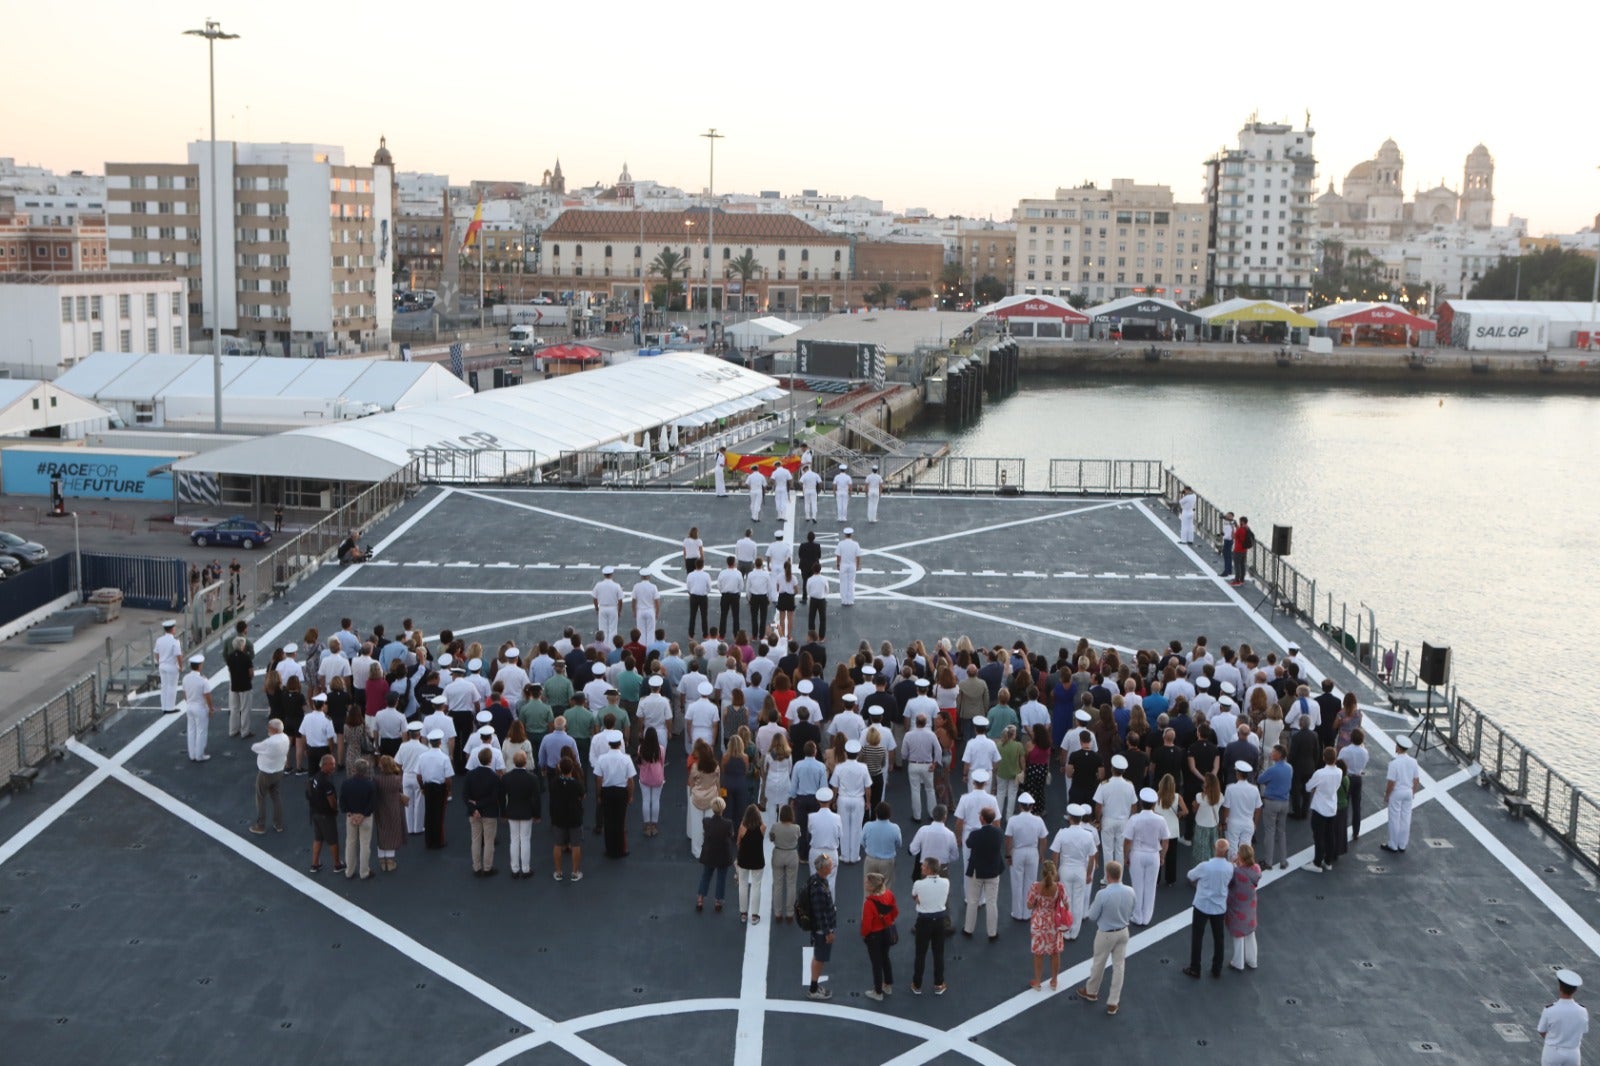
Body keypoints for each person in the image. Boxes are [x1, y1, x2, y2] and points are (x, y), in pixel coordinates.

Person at [1078, 859, 1135, 1015]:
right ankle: (1113, 1002)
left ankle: (1091, 991)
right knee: (1119, 967)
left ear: (1108, 875)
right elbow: (1132, 909)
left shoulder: (1103, 894)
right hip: (1123, 932)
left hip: (1106, 934)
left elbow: (1092, 916)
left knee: (1098, 963)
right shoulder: (1130, 891)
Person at [1183, 840, 1233, 979]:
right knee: (1219, 939)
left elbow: (1190, 875)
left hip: (1202, 905)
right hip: (1219, 908)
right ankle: (1217, 969)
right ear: (1227, 852)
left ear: (1214, 848)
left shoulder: (1205, 866)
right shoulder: (1230, 868)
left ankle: (1195, 968)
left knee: (1197, 937)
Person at [1049, 804, 1098, 941]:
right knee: (1078, 901)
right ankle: (1074, 932)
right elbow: (1092, 856)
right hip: (1080, 870)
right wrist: (1088, 874)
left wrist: (1055, 871)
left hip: (1065, 869)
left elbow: (1055, 853)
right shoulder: (1088, 835)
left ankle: (1065, 930)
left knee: (1065, 901)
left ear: (1070, 818)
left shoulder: (1062, 833)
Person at [1123, 787, 1170, 926]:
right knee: (1151, 887)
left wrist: (1126, 856)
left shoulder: (1134, 819)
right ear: (1154, 804)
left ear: (1141, 803)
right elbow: (1165, 841)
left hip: (1137, 853)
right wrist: (1162, 856)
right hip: (1153, 854)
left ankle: (1137, 916)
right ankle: (1146, 917)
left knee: (1137, 886)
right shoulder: (1160, 819)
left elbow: (1127, 840)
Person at [962, 807, 1004, 941]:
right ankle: (992, 933)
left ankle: (968, 929)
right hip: (993, 871)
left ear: (981, 819)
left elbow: (968, 844)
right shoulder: (999, 833)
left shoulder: (975, 835)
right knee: (992, 902)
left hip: (977, 871)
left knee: (973, 901)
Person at [910, 855, 949, 996]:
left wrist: (922, 902)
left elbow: (915, 897)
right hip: (939, 921)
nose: (921, 867)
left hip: (923, 921)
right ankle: (939, 984)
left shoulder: (918, 884)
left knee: (920, 954)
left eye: (924, 866)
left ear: (929, 869)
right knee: (938, 954)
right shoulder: (946, 882)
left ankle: (917, 984)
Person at [1005, 793, 1048, 920]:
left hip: (1017, 852)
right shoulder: (1038, 820)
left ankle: (1017, 913)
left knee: (1016, 882)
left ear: (1020, 806)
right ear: (1032, 806)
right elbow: (1044, 839)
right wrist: (1041, 854)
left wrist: (1008, 855)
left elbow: (1008, 839)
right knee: (1030, 882)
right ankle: (1028, 912)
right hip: (1032, 852)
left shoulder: (1013, 820)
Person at [1026, 859, 1067, 991]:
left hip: (1038, 922)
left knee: (1038, 953)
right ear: (1054, 873)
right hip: (1054, 922)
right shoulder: (1060, 887)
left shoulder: (1035, 886)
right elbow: (1067, 904)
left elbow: (1029, 905)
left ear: (1043, 873)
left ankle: (1037, 982)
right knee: (1055, 953)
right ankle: (1054, 981)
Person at [594, 730, 636, 858]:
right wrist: (630, 795)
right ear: (620, 743)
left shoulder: (602, 759)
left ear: (609, 744)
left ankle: (610, 849)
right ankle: (620, 849)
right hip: (621, 792)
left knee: (608, 821)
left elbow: (599, 779)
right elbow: (630, 780)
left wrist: (599, 795)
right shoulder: (626, 758)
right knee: (620, 821)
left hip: (607, 792)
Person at [463, 747, 503, 876]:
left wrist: (474, 808)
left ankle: (476, 867)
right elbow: (494, 797)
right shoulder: (495, 777)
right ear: (490, 760)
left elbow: (465, 795)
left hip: (474, 814)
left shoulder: (470, 775)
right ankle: (487, 868)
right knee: (489, 841)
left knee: (475, 840)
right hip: (489, 813)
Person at [860, 870, 898, 1001]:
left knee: (876, 963)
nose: (865, 883)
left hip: (874, 936)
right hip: (886, 932)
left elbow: (867, 925)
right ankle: (887, 985)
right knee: (885, 958)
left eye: (867, 882)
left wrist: (864, 935)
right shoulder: (889, 895)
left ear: (872, 886)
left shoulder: (869, 903)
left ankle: (877, 992)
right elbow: (895, 912)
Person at [247, 719, 290, 835]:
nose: (268, 729)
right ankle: (278, 824)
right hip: (279, 770)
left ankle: (260, 825)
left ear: (274, 730)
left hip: (266, 773)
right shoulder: (285, 738)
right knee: (276, 796)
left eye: (269, 727)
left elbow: (254, 747)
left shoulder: (270, 742)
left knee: (260, 797)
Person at [1538, 969, 1588, 1066]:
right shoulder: (1583, 1011)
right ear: (1575, 990)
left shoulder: (1550, 1010)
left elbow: (1541, 1030)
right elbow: (1583, 1030)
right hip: (1572, 1053)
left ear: (1560, 987)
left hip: (1553, 1052)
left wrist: (1553, 1039)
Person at [549, 752, 586, 882]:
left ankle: (558, 872)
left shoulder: (554, 783)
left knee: (558, 845)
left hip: (559, 817)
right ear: (571, 769)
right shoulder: (577, 784)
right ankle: (575, 873)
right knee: (575, 845)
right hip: (574, 817)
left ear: (559, 768)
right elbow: (582, 796)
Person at [805, 853, 838, 999]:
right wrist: (828, 932)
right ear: (824, 868)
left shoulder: (816, 881)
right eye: (830, 865)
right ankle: (813, 989)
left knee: (818, 957)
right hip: (821, 930)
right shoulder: (819, 887)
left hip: (819, 929)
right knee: (819, 958)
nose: (832, 867)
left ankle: (814, 986)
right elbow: (820, 913)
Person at [1306, 746, 1343, 872]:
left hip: (1320, 808)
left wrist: (1315, 789)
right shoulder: (1339, 772)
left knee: (1318, 836)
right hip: (1332, 807)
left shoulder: (1320, 773)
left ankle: (1317, 862)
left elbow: (1308, 787)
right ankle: (1328, 861)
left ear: (1323, 758)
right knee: (1330, 835)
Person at [415, 729, 454, 850]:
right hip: (440, 787)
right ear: (440, 742)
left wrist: (422, 787)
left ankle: (429, 840)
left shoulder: (422, 756)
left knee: (429, 813)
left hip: (427, 786)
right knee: (439, 814)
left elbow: (418, 775)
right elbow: (448, 778)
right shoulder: (444, 757)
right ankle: (438, 841)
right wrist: (449, 790)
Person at [1256, 745, 1293, 870]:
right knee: (1281, 832)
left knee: (1270, 832)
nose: (1271, 753)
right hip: (1285, 802)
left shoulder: (1272, 769)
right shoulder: (1289, 768)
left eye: (1274, 751)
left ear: (1279, 754)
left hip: (1272, 803)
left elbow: (1260, 780)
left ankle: (1268, 861)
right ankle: (1283, 861)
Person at [340, 758, 377, 881]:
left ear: (354, 769)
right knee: (364, 845)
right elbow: (372, 804)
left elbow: (342, 802)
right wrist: (362, 815)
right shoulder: (370, 784)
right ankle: (364, 872)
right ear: (366, 771)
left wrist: (350, 814)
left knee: (350, 843)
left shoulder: (346, 784)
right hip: (365, 818)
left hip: (351, 818)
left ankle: (349, 871)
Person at [1383, 734, 1420, 854]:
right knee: (1406, 818)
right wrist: (1413, 792)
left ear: (1398, 747)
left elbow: (1391, 783)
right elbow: (1416, 780)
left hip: (1397, 792)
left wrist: (1387, 795)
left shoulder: (1394, 763)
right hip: (1408, 792)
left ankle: (1393, 844)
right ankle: (1402, 844)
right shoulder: (1413, 762)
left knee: (1394, 819)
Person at [306, 754, 343, 874]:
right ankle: (337, 865)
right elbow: (331, 800)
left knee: (318, 838)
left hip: (315, 813)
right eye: (331, 764)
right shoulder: (326, 781)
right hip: (325, 815)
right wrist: (335, 809)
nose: (334, 766)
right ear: (325, 765)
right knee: (333, 840)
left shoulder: (316, 777)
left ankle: (314, 864)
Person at [1227, 843, 1260, 971]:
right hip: (1250, 906)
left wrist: (1232, 863)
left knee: (1238, 935)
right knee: (1250, 933)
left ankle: (1238, 962)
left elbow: (1228, 882)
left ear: (1240, 857)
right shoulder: (1256, 869)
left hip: (1237, 907)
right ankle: (1252, 961)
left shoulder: (1237, 872)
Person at [698, 797, 735, 912]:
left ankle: (700, 899)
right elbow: (731, 835)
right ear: (723, 808)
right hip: (723, 855)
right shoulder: (728, 823)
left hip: (709, 854)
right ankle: (718, 901)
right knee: (721, 878)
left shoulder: (706, 821)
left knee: (706, 876)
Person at [372, 754, 407, 873]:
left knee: (382, 832)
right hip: (394, 808)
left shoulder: (376, 779)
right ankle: (390, 862)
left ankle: (382, 861)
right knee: (393, 833)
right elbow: (400, 792)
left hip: (380, 808)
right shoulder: (397, 779)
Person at [734, 803, 767, 924]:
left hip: (744, 859)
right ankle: (754, 915)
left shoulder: (742, 827)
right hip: (758, 860)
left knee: (742, 885)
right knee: (756, 886)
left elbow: (738, 843)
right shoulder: (763, 827)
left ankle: (743, 914)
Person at [1221, 759, 1261, 857]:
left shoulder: (1230, 788)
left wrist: (1224, 822)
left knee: (1232, 849)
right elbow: (1258, 808)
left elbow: (1226, 808)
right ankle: (1244, 870)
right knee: (1246, 850)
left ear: (1237, 773)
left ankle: (1233, 869)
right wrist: (1255, 823)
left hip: (1233, 823)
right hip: (1248, 823)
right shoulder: (1255, 789)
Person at [770, 804, 802, 923]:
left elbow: (771, 838)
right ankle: (790, 913)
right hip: (792, 855)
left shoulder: (775, 827)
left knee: (778, 885)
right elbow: (798, 838)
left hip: (778, 853)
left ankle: (778, 913)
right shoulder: (796, 828)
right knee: (791, 885)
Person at [224, 622, 256, 738]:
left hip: (234, 684)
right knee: (245, 709)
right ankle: (245, 731)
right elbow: (251, 673)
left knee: (234, 709)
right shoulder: (246, 658)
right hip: (245, 685)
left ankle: (233, 730)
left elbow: (225, 656)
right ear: (242, 645)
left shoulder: (230, 659)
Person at [182, 654, 215, 762]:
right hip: (200, 708)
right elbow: (208, 696)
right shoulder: (203, 680)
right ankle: (199, 755)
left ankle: (192, 755)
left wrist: (190, 702)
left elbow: (185, 695)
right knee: (201, 732)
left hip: (190, 706)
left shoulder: (185, 678)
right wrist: (211, 708)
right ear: (200, 666)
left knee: (191, 731)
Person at [592, 566, 624, 645]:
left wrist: (597, 608)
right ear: (612, 574)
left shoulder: (598, 585)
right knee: (613, 630)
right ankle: (611, 648)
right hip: (613, 608)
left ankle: (603, 648)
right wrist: (619, 611)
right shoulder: (616, 585)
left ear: (604, 574)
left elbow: (594, 598)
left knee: (602, 630)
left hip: (602, 608)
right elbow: (620, 600)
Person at [155, 619, 182, 714]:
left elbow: (156, 653)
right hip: (171, 666)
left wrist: (160, 662)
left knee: (164, 687)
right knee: (172, 687)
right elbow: (178, 655)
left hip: (162, 665)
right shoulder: (175, 641)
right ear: (172, 629)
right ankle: (170, 708)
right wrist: (180, 666)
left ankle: (164, 707)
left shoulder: (159, 640)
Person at [835, 528, 861, 608]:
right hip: (852, 565)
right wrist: (857, 565)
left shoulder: (841, 544)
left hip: (843, 565)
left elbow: (838, 556)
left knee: (843, 583)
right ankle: (850, 600)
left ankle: (844, 600)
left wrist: (838, 564)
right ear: (851, 534)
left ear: (845, 534)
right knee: (851, 583)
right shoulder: (856, 544)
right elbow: (858, 556)